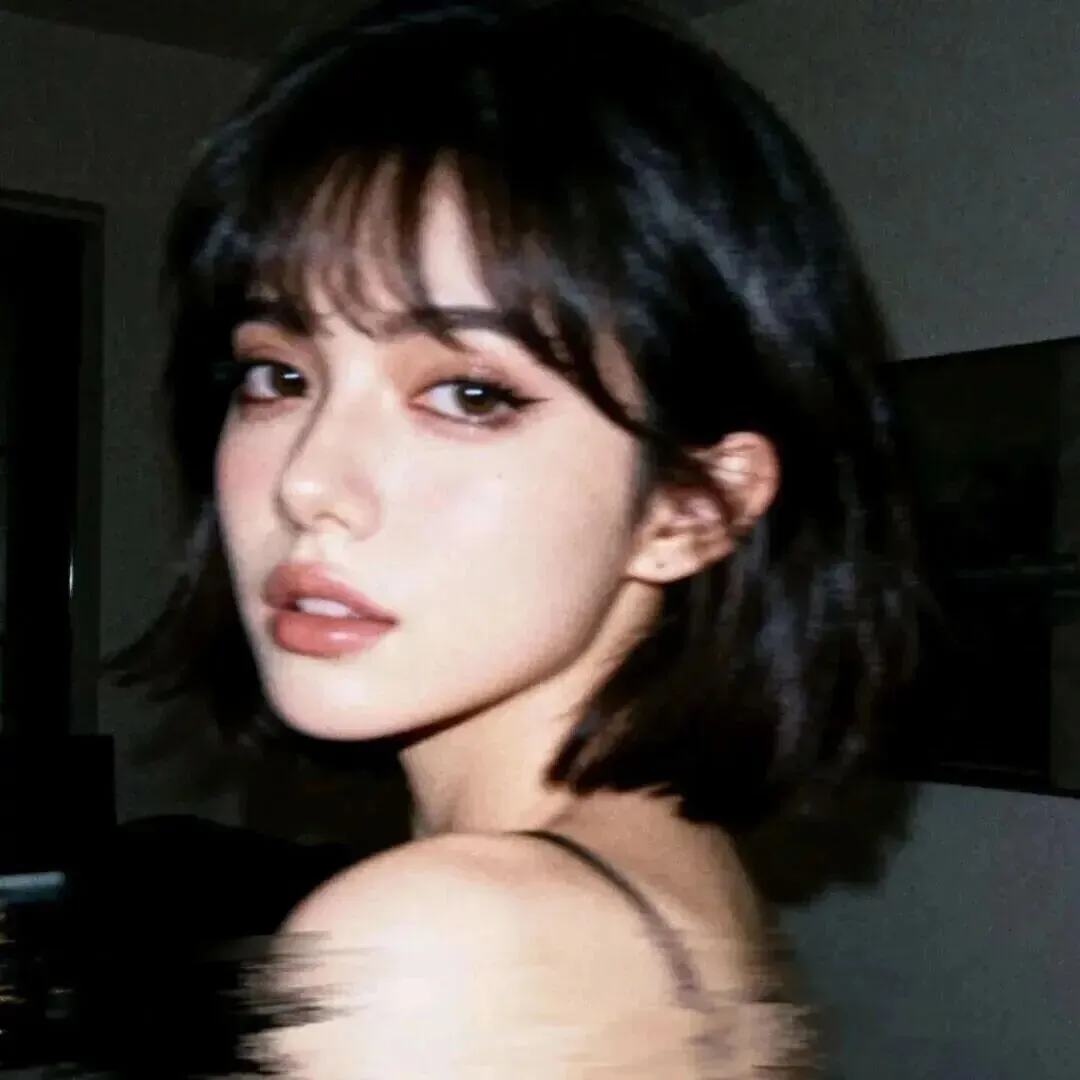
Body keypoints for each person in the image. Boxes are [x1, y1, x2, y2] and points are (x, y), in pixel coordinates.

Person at [114, 0, 920, 1074]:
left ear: (693, 507)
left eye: (467, 393)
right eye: (279, 374)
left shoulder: (445, 950)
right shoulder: (669, 885)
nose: (307, 481)